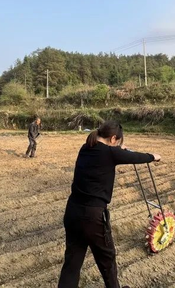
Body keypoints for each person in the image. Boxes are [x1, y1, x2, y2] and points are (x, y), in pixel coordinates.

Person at [58, 121, 161, 288]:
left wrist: (118, 149)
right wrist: (153, 156)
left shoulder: (86, 147)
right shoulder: (110, 153)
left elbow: (110, 152)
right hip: (93, 216)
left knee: (72, 262)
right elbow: (135, 157)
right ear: (113, 138)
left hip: (72, 211)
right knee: (107, 259)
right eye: (117, 142)